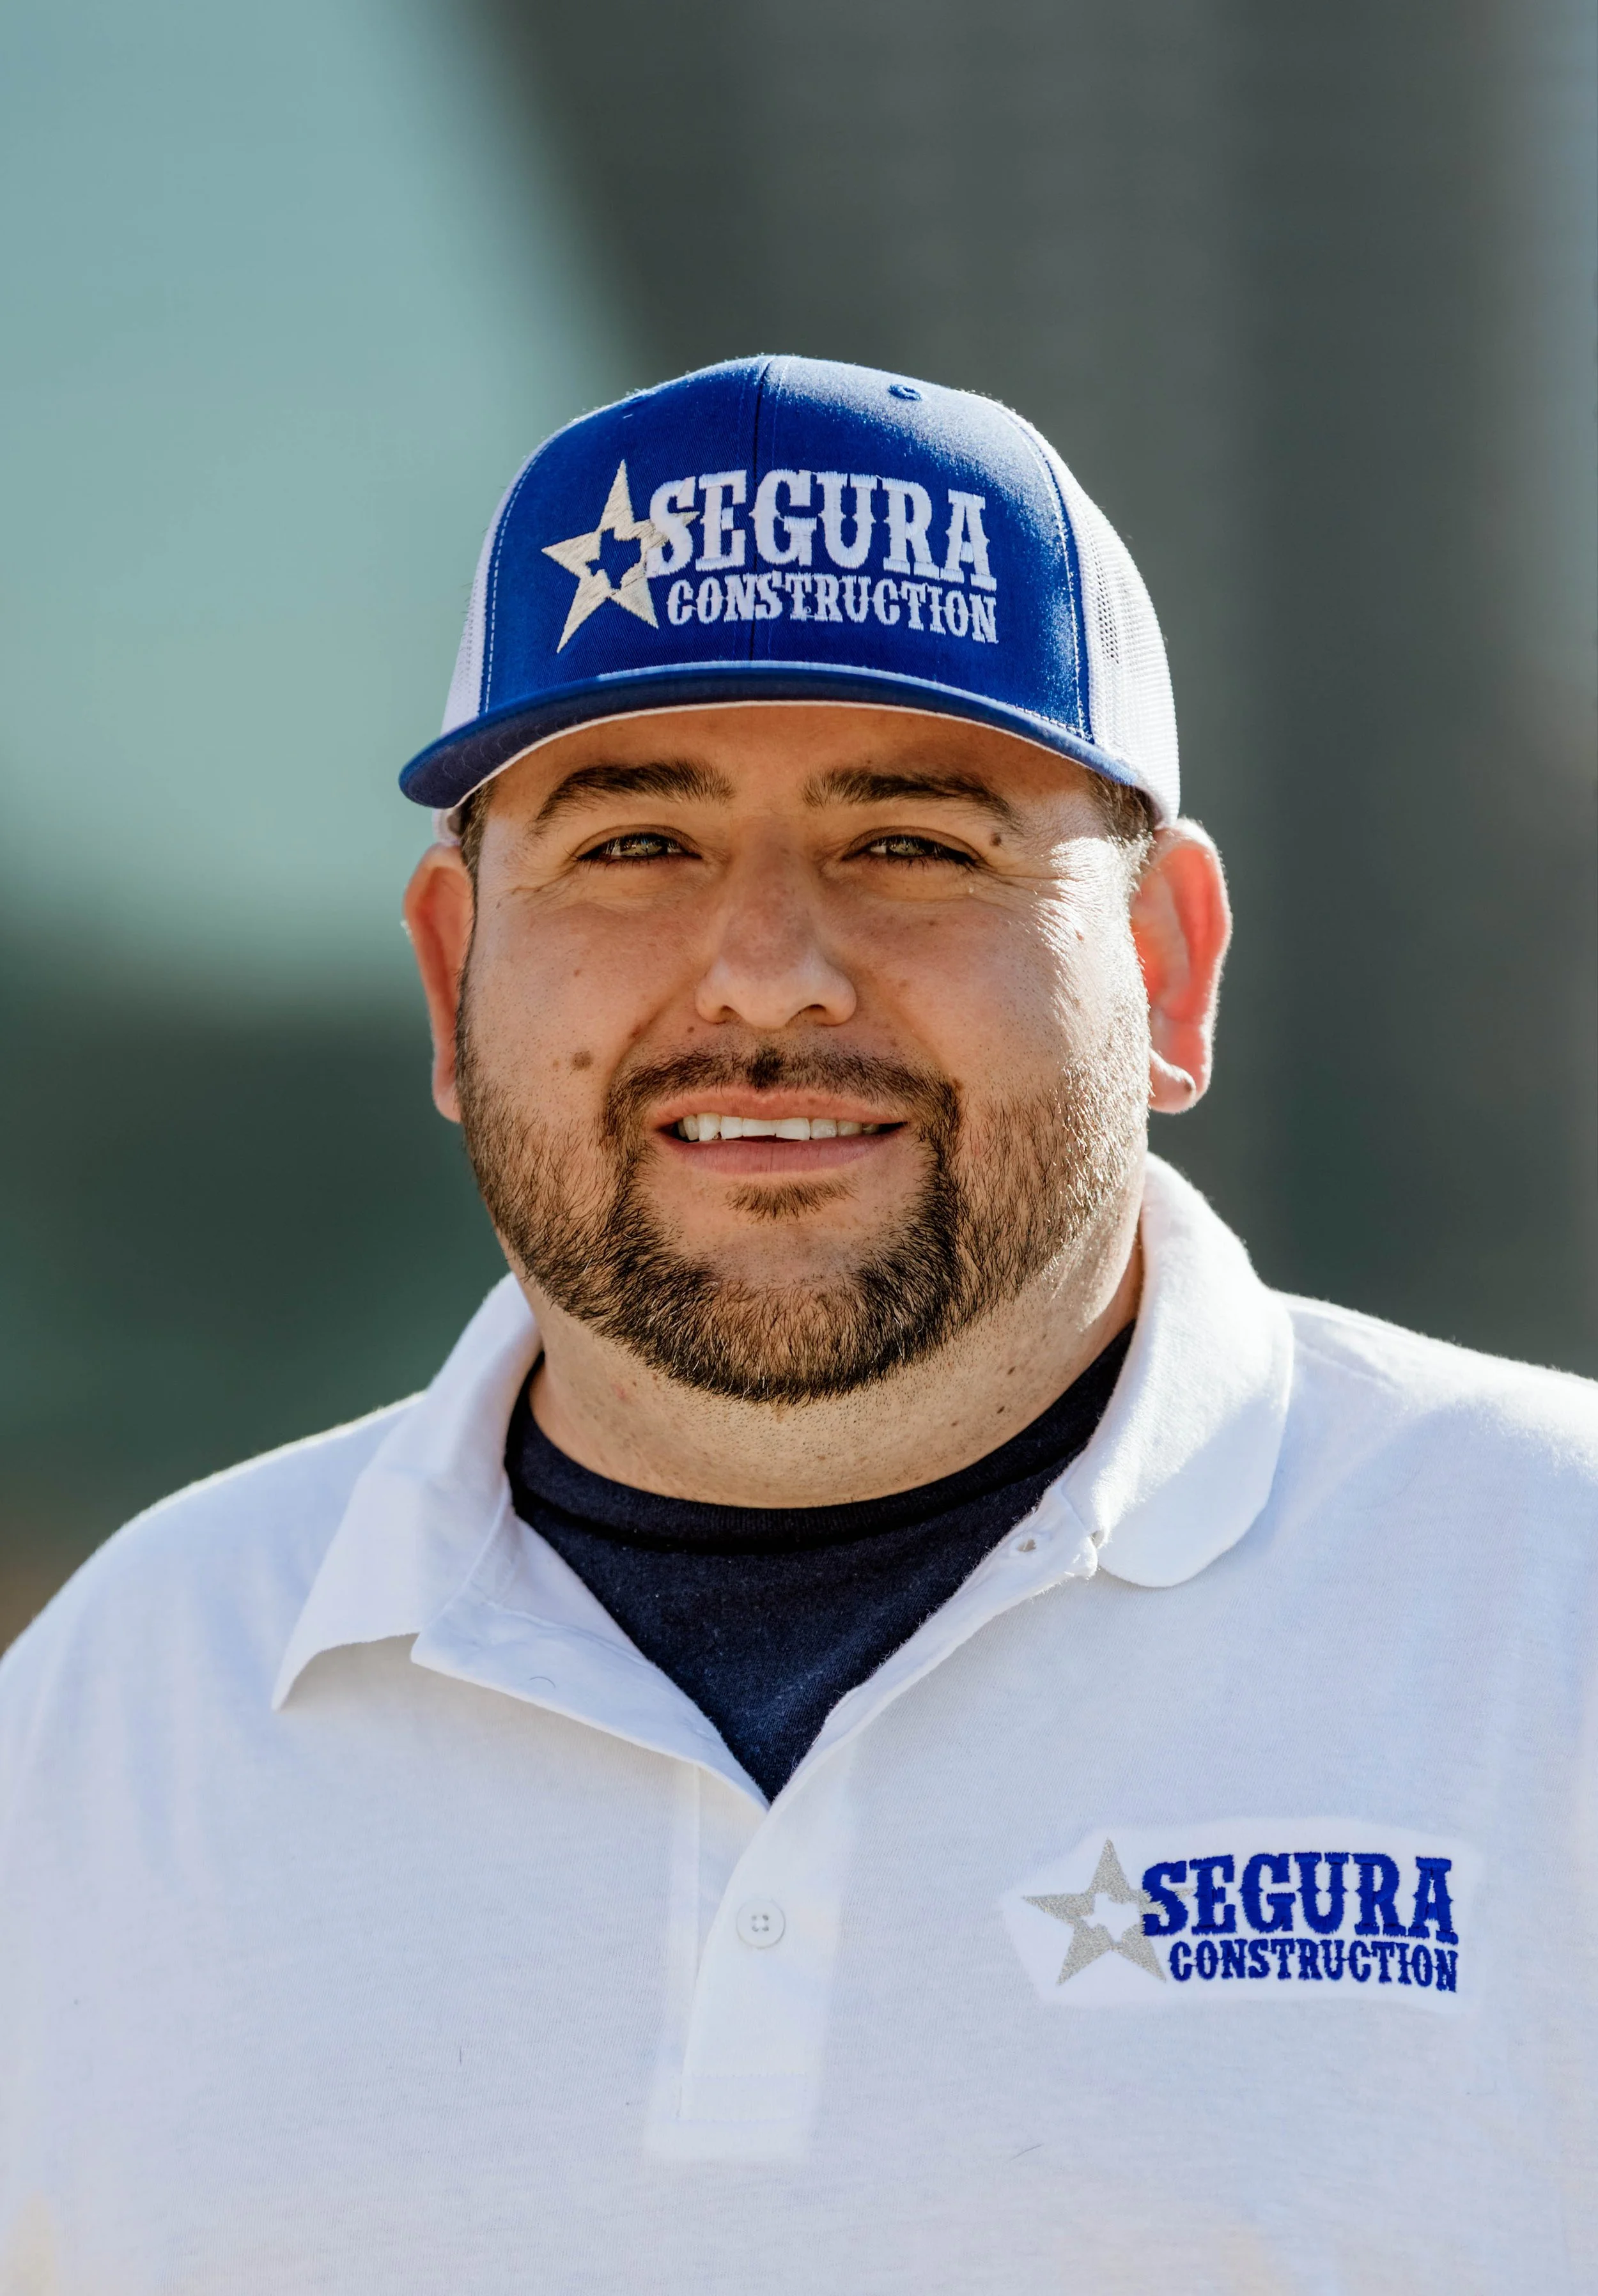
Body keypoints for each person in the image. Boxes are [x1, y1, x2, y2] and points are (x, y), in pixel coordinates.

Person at [1, 356, 1594, 2293]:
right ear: (449, 974)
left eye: (914, 841)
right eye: (632, 845)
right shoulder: (128, 1703)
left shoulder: (1550, 1597)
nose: (764, 971)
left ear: (1166, 970)